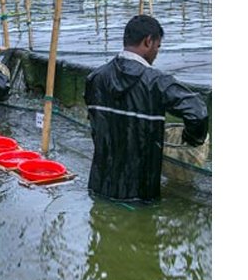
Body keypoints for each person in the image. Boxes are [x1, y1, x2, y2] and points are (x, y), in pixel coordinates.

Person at [84, 14, 208, 201]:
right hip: (140, 192)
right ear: (148, 42)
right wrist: (190, 139)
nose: (156, 54)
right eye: (157, 47)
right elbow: (198, 113)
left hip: (99, 186)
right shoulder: (156, 82)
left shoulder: (95, 78)